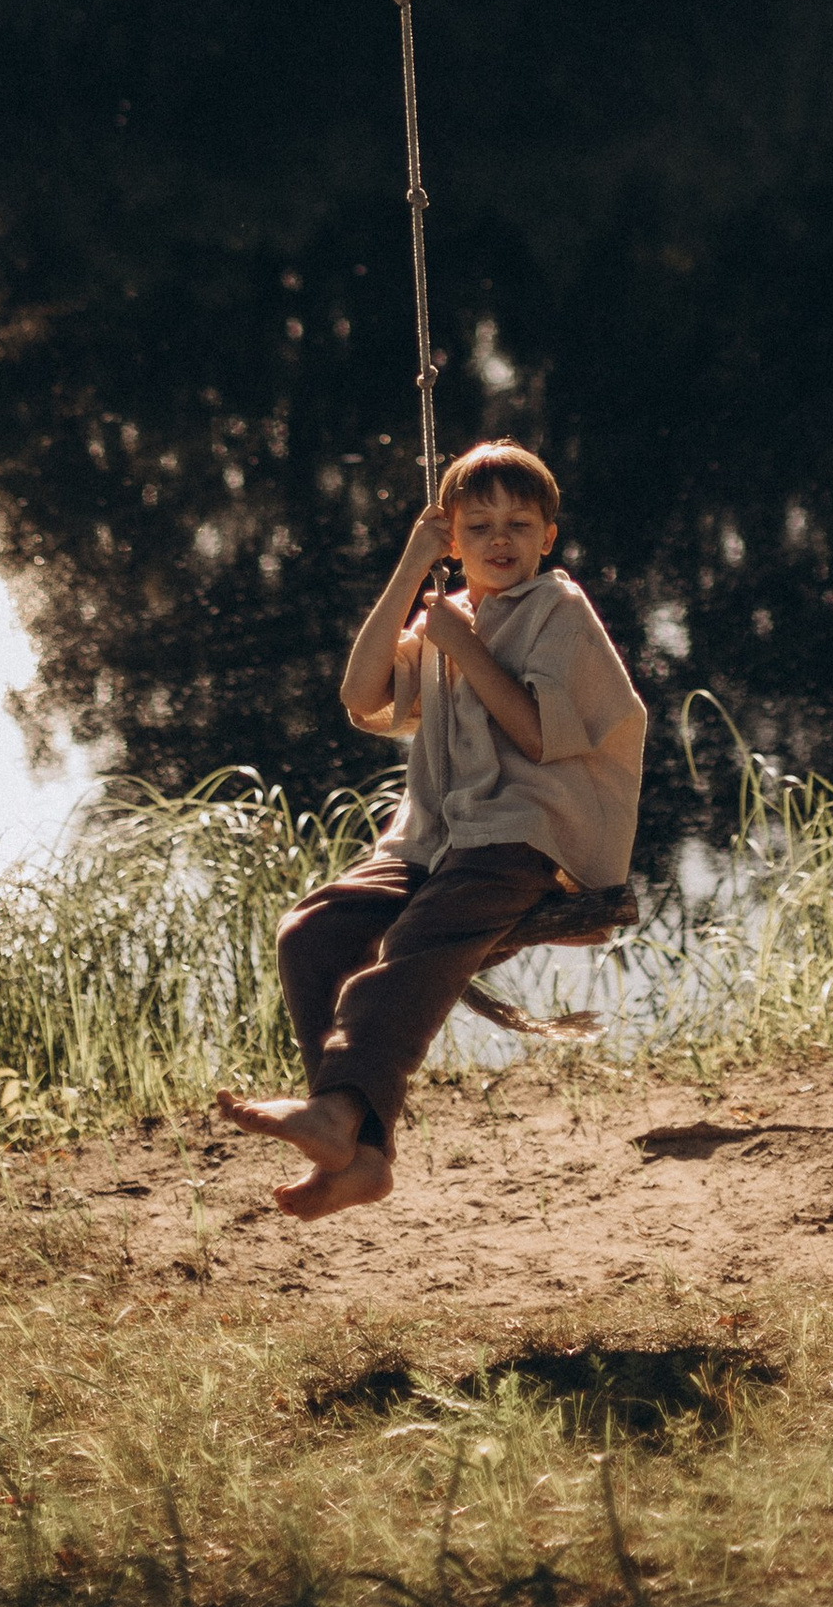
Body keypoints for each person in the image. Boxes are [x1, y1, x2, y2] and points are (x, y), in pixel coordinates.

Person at [215, 437, 647, 1217]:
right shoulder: (449, 614)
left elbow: (538, 736)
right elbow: (361, 694)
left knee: (414, 940)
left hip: (530, 832)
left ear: (548, 536)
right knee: (310, 933)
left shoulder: (559, 611)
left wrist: (462, 645)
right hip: (440, 834)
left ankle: (341, 1117)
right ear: (453, 538)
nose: (500, 541)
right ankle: (361, 1153)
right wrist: (413, 569)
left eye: (519, 525)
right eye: (477, 527)